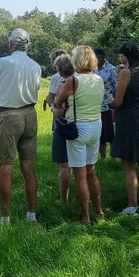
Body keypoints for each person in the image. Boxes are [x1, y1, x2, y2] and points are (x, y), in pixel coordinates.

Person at [0, 28, 42, 223]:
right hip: (30, 114)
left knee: (6, 168)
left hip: (9, 115)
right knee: (28, 165)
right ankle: (31, 215)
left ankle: (5, 217)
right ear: (28, 45)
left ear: (10, 44)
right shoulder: (35, 66)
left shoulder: (2, 62)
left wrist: (2, 88)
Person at [52, 46, 105, 224]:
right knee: (92, 172)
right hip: (96, 126)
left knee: (80, 175)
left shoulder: (73, 81)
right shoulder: (99, 79)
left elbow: (58, 104)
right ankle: (99, 211)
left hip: (78, 128)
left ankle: (86, 217)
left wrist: (57, 105)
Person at [109, 43, 139, 215]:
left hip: (129, 119)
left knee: (128, 165)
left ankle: (132, 206)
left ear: (125, 57)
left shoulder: (125, 73)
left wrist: (108, 100)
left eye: (120, 55)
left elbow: (118, 102)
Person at [49, 53, 74, 202]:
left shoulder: (62, 86)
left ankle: (64, 199)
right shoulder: (88, 81)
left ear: (59, 71)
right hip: (86, 126)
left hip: (66, 127)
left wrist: (53, 107)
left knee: (64, 165)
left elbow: (59, 111)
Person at [93, 48, 117, 159]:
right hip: (95, 106)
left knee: (110, 133)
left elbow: (116, 86)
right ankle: (102, 158)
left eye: (98, 56)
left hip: (108, 106)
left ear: (102, 56)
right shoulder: (91, 69)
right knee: (99, 134)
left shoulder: (111, 69)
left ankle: (114, 157)